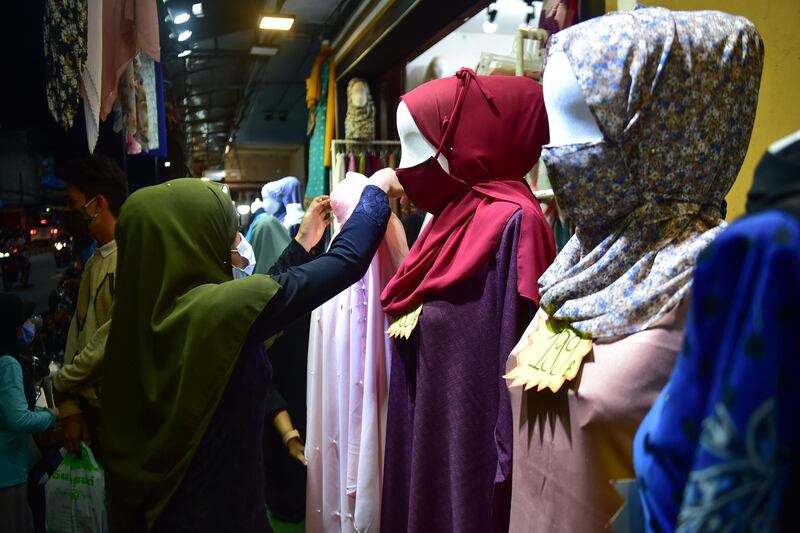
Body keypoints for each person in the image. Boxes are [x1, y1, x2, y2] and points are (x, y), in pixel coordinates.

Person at [101, 171, 402, 532]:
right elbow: (346, 262)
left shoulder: (139, 316)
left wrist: (302, 244)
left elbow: (259, 307)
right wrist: (377, 189)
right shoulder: (214, 311)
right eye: (228, 234)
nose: (239, 242)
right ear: (191, 241)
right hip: (218, 513)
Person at [53, 154, 129, 457]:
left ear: (97, 204)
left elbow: (109, 339)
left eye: (73, 204)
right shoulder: (95, 260)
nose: (68, 212)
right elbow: (79, 331)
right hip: (93, 412)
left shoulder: (128, 258)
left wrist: (60, 382)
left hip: (120, 418)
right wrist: (70, 405)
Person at [0, 294, 58, 533]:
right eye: (24, 320)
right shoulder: (7, 363)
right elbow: (17, 418)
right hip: (7, 471)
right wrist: (53, 414)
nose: (30, 325)